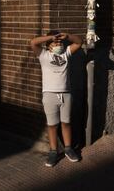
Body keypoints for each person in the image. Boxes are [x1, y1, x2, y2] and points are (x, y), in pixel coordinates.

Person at [30, 30, 82, 167]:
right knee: (52, 125)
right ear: (48, 45)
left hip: (66, 94)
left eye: (60, 42)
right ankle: (53, 152)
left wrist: (68, 36)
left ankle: (68, 148)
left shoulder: (66, 54)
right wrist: (50, 37)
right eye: (55, 42)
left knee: (66, 123)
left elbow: (79, 42)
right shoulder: (44, 55)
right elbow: (33, 42)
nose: (58, 44)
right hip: (49, 95)